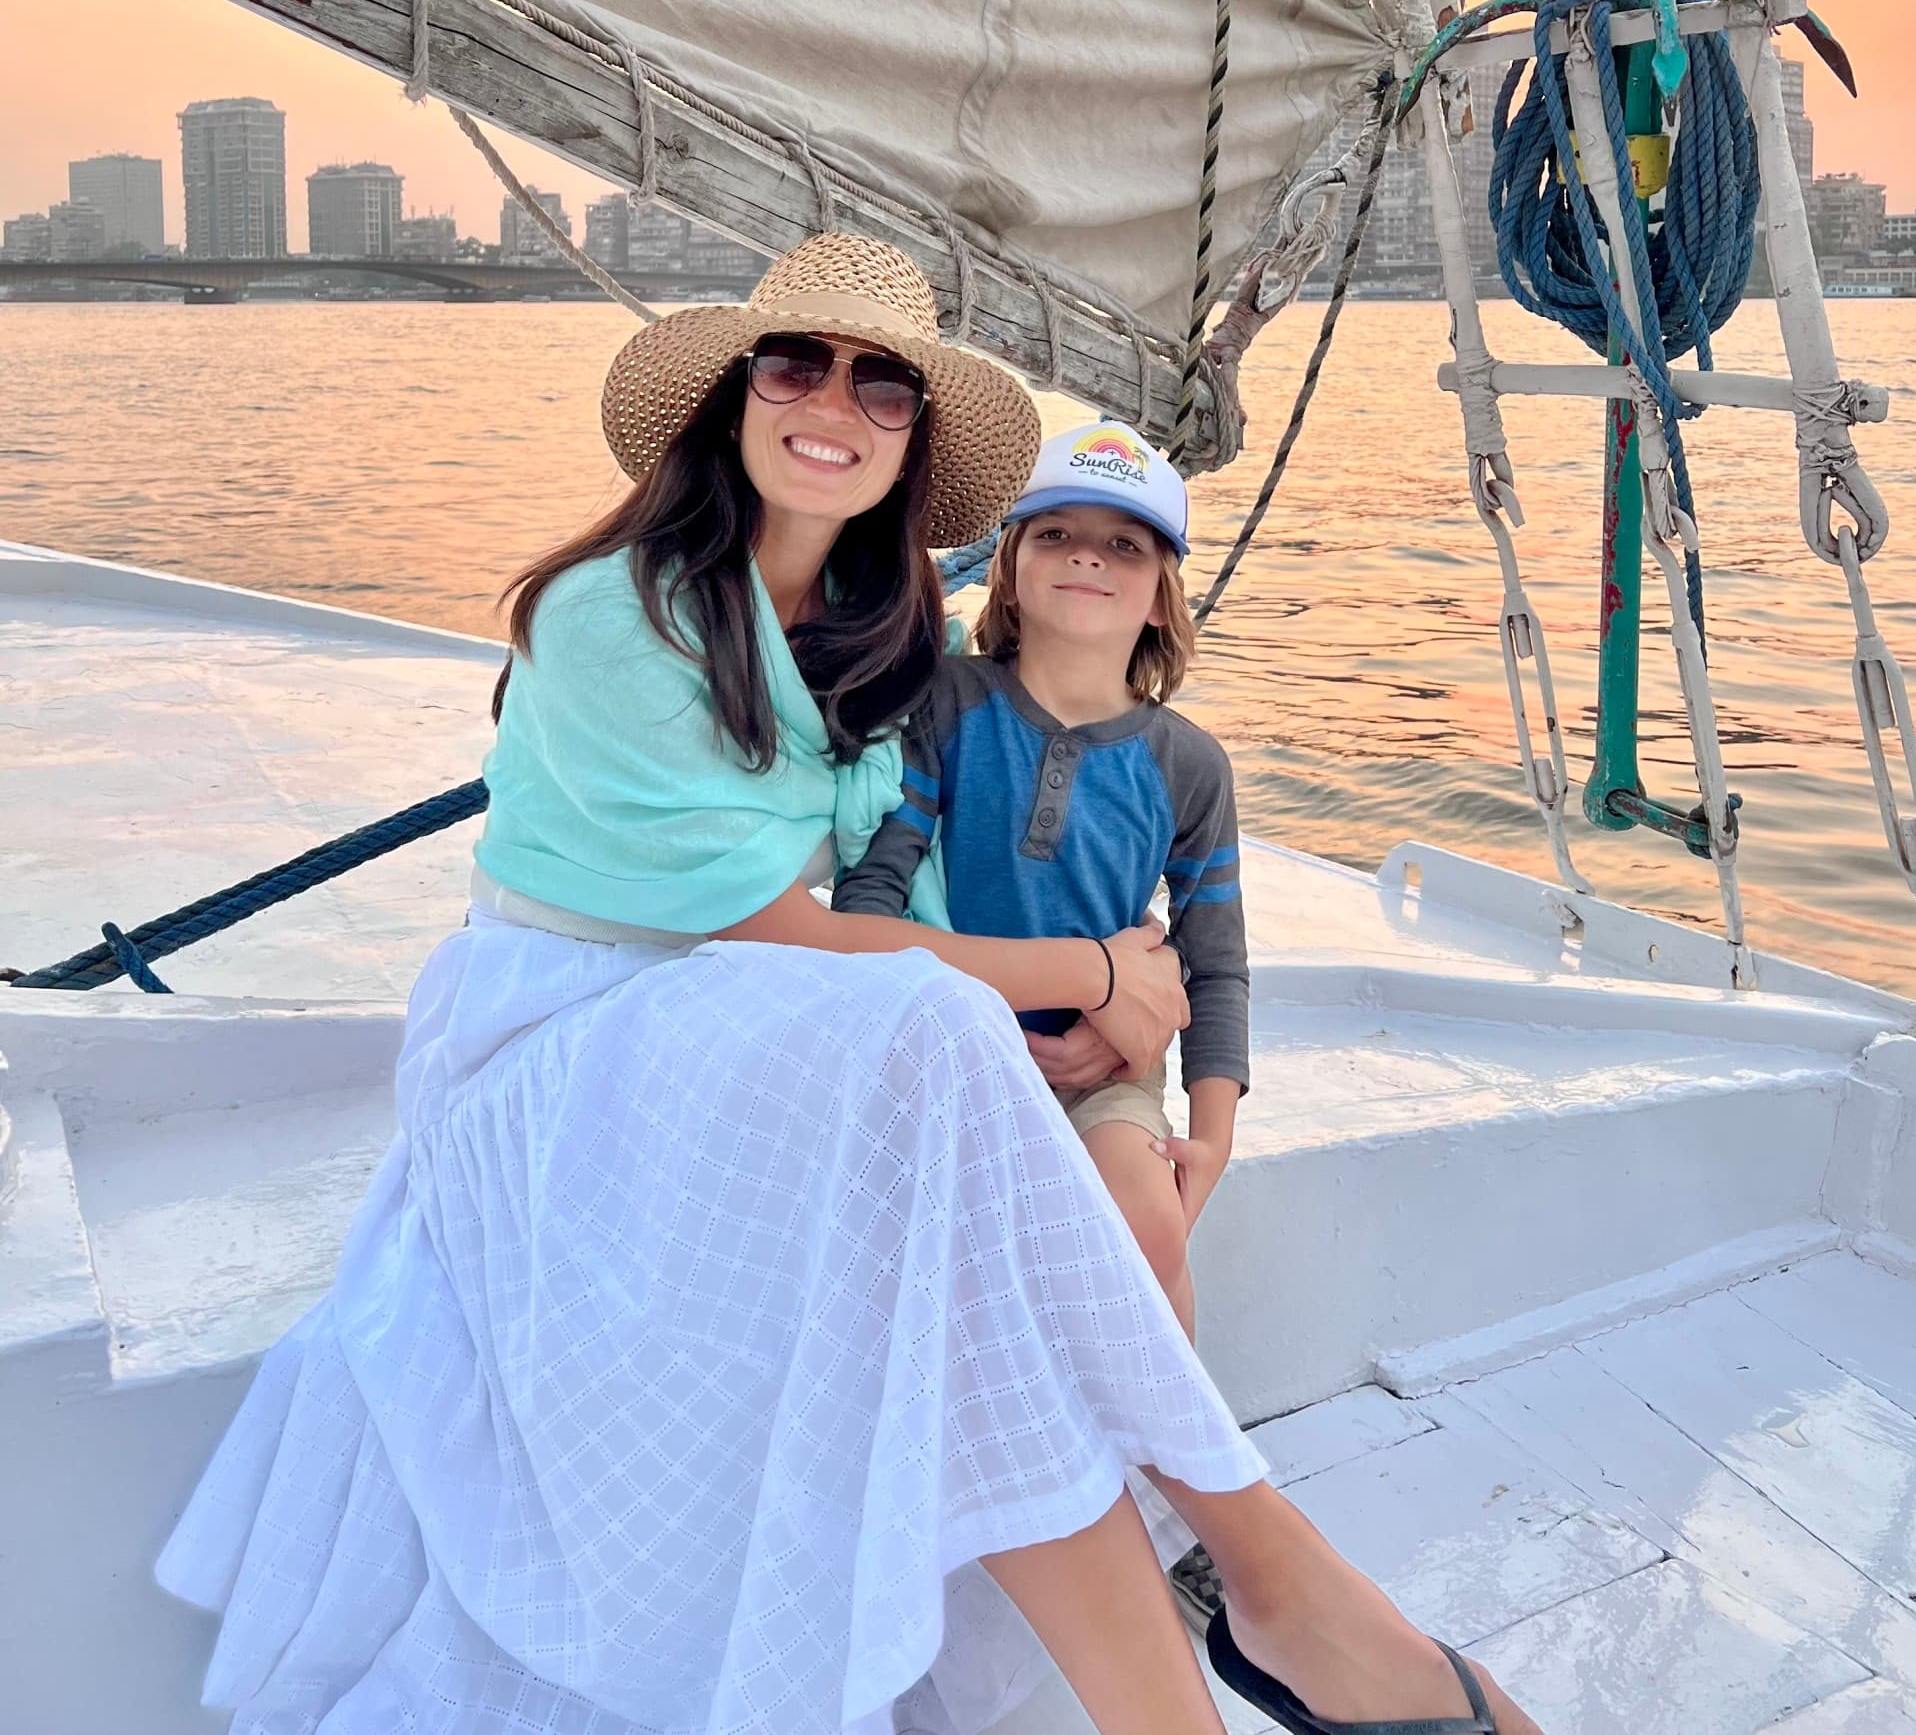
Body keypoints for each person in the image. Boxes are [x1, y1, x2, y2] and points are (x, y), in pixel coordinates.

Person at [158, 233, 1539, 1735]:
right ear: (732, 399)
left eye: (884, 382)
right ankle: (1275, 1579)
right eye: (796, 362)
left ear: (915, 442)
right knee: (938, 1038)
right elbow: (790, 934)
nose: (837, 401)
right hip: (554, 1035)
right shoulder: (612, 612)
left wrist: (1089, 1027)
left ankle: (1192, 1690)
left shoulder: (883, 641)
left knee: (951, 1178)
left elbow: (901, 883)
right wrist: (1095, 973)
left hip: (734, 1030)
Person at [834, 420, 1242, 1334]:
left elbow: (1215, 959)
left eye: (1123, 544)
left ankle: (1171, 1443)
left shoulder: (1189, 765)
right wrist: (963, 1024)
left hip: (1110, 1066)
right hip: (949, 1047)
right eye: (1055, 532)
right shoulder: (945, 700)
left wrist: (1211, 1133)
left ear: (1160, 595)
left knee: (1151, 1224)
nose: (1087, 557)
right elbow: (873, 891)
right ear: (1010, 563)